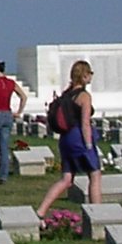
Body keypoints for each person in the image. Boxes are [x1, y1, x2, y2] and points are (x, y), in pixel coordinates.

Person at [35, 59, 102, 217]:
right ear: (84, 76)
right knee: (95, 174)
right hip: (79, 137)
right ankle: (98, 214)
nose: (91, 76)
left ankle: (41, 210)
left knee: (66, 179)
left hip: (65, 139)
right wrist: (89, 145)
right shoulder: (84, 96)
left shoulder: (66, 95)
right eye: (90, 73)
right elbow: (85, 123)